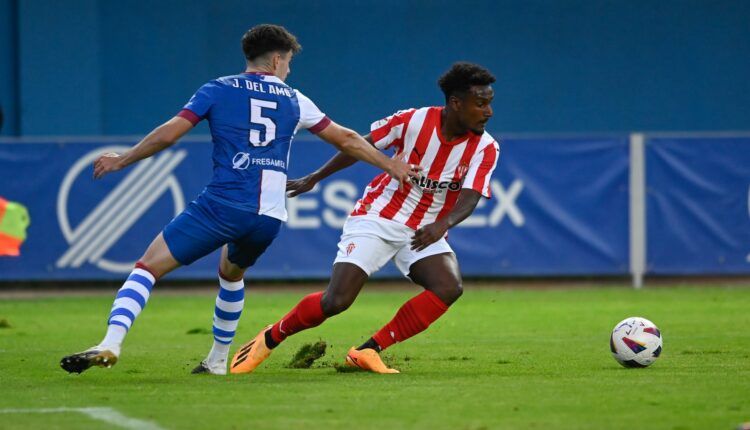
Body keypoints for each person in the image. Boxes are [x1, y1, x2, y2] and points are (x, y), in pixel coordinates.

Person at [60, 24, 418, 375]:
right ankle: (217, 361)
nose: (289, 69)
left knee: (147, 267)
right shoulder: (295, 99)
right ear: (277, 60)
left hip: (223, 206)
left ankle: (111, 341)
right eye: (289, 62)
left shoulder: (217, 89)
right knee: (231, 275)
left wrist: (123, 159)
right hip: (268, 218)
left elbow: (171, 132)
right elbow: (349, 139)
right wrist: (391, 165)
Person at [230, 62, 499, 374]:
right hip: (377, 218)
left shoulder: (486, 147)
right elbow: (358, 145)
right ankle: (270, 336)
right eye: (481, 103)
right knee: (336, 301)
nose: (489, 111)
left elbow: (471, 195)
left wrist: (443, 224)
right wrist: (316, 176)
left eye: (490, 102)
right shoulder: (413, 120)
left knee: (449, 287)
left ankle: (368, 351)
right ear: (456, 103)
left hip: (423, 231)